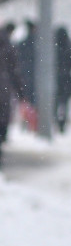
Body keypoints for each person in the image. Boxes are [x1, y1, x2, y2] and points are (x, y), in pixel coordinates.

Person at [0, 23, 25, 167]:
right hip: (3, 89)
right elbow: (15, 72)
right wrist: (21, 93)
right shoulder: (9, 47)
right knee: (2, 120)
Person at [54, 26, 71, 132]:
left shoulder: (52, 48)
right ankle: (62, 122)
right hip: (66, 80)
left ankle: (55, 119)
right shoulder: (68, 47)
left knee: (55, 101)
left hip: (55, 79)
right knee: (64, 102)